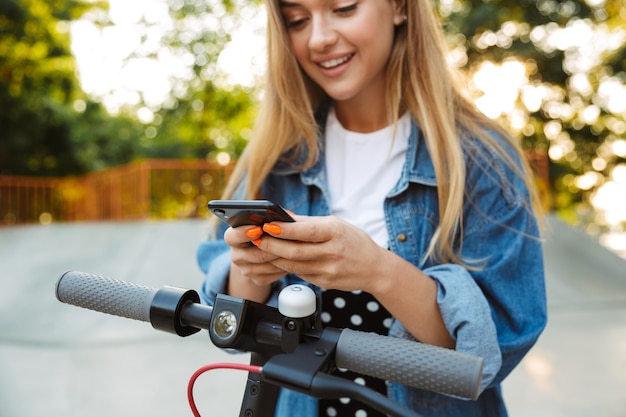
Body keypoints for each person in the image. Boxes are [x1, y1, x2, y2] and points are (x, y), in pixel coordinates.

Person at [197, 0, 547, 416]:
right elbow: (237, 328)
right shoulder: (273, 159)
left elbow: (491, 353)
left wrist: (376, 270)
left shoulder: (483, 159)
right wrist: (249, 263)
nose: (319, 38)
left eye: (343, 8)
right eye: (297, 20)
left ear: (400, 7)